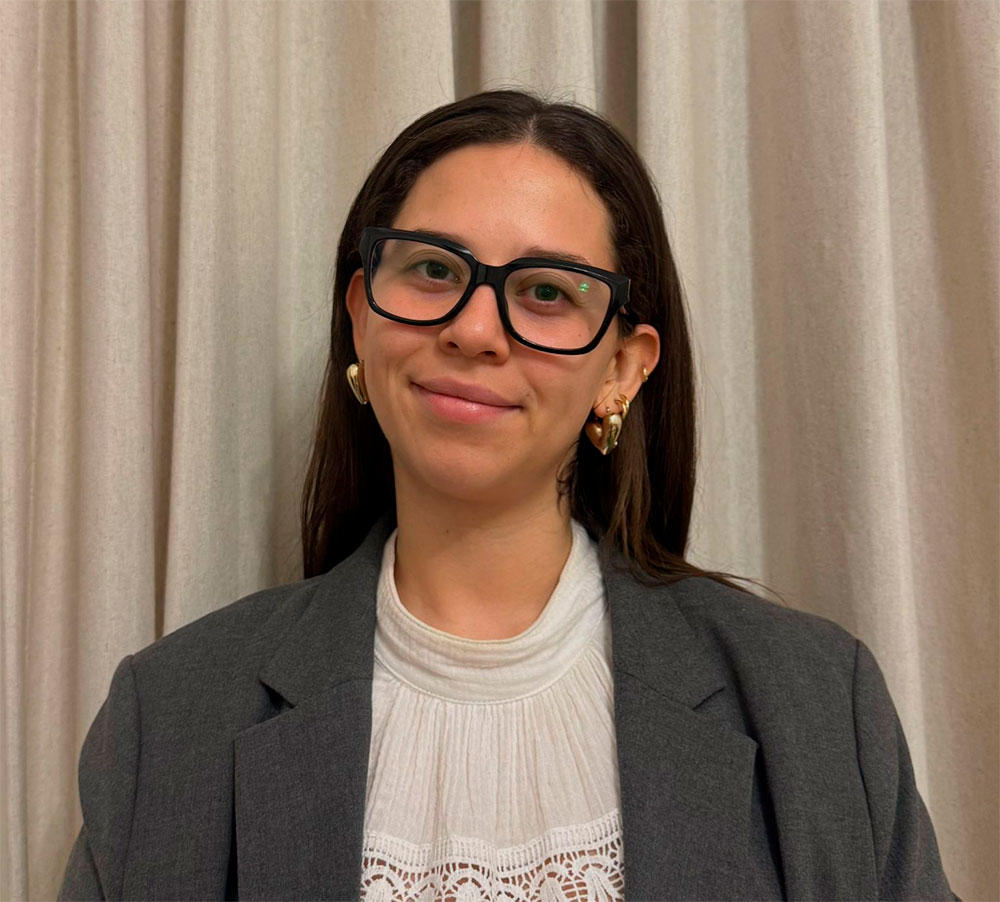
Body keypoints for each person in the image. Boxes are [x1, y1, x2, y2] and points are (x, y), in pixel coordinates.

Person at [58, 90, 958, 901]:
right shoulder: (167, 720)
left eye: (546, 292)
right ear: (361, 316)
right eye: (433, 271)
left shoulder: (818, 707)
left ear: (623, 368)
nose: (474, 329)